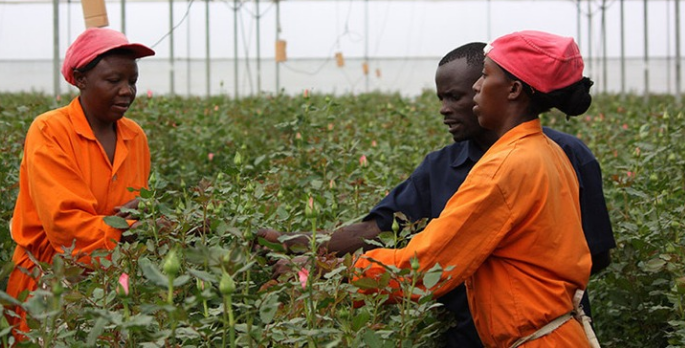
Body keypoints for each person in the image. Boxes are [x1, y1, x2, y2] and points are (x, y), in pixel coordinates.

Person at [258, 34, 614, 347]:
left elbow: (425, 267)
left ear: (514, 89)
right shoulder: (542, 151)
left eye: (485, 77)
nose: (476, 88)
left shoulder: (507, 164)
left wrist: (324, 271)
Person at [5, 27, 156, 334]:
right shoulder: (50, 130)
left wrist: (138, 220)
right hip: (51, 283)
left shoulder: (135, 136)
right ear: (81, 79)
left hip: (115, 281)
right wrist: (131, 226)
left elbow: (138, 208)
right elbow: (65, 227)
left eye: (132, 82)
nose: (127, 91)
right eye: (114, 81)